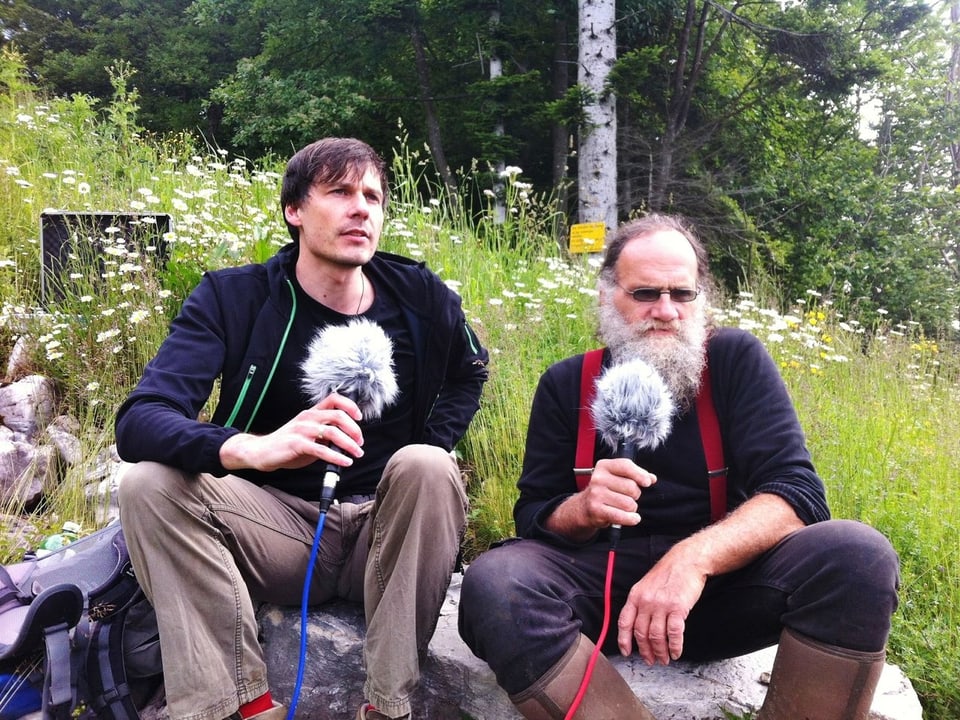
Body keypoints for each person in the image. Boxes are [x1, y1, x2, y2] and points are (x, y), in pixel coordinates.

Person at [457, 213, 899, 720]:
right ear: (606, 296)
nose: (665, 311)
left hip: (724, 591)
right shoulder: (566, 383)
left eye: (681, 294)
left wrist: (691, 561)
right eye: (645, 293)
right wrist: (582, 509)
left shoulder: (735, 359)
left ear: (699, 299)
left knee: (858, 555)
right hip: (602, 594)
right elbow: (533, 515)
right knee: (495, 582)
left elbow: (796, 492)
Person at [115, 137, 489, 720]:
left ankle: (388, 707)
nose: (360, 208)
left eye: (372, 196)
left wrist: (434, 439)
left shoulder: (420, 294)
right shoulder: (234, 297)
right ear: (294, 210)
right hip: (278, 527)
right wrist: (254, 450)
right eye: (339, 192)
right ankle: (238, 705)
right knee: (146, 484)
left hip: (383, 535)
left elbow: (472, 370)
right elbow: (140, 420)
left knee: (426, 466)